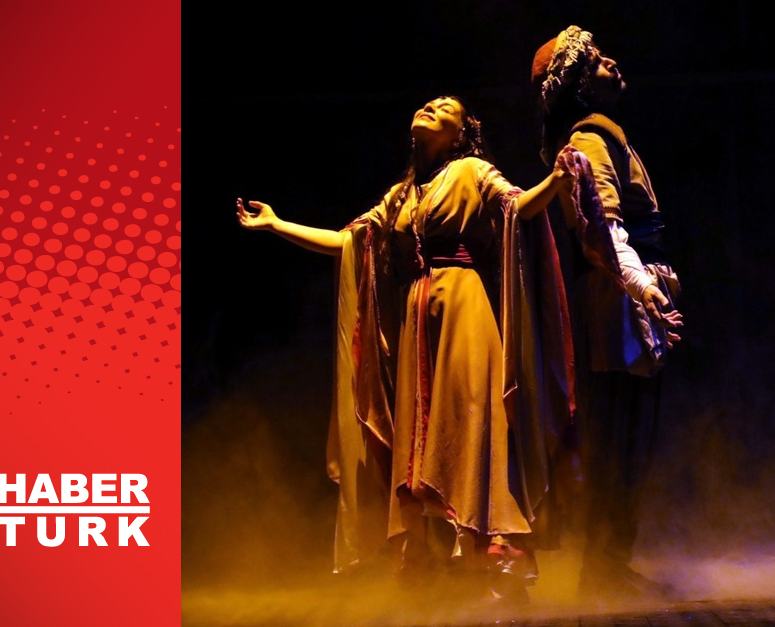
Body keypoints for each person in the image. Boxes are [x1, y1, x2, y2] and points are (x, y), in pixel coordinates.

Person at [237, 96, 578, 603]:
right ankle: (436, 562)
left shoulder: (472, 170)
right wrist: (277, 224)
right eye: (428, 103)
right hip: (416, 321)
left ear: (460, 134)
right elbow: (347, 242)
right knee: (420, 437)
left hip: (463, 307)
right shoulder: (399, 196)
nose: (432, 106)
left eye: (446, 108)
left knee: (469, 420)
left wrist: (554, 182)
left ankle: (489, 551)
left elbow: (517, 208)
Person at [531, 26, 685, 600]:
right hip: (616, 295)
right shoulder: (589, 140)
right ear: (577, 85)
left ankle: (608, 563)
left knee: (627, 434)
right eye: (595, 61)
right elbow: (603, 230)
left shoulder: (602, 136)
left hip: (622, 290)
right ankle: (601, 567)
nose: (612, 62)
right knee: (620, 434)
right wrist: (643, 288)